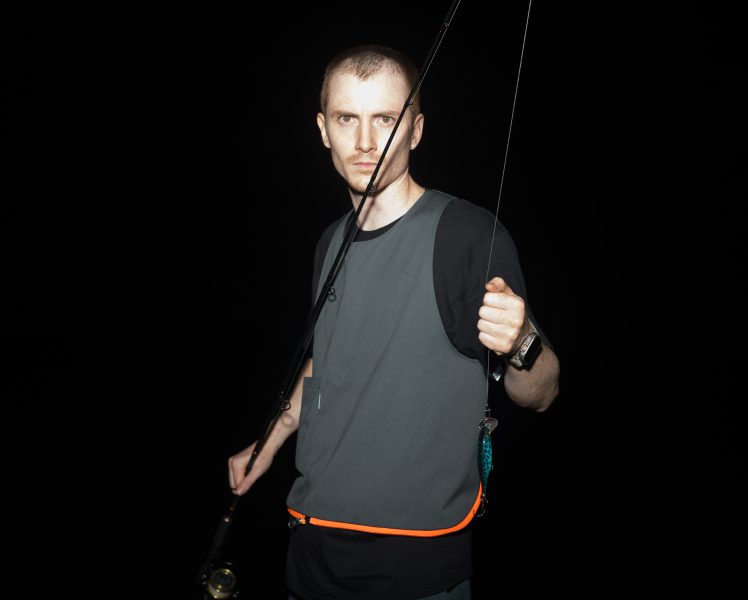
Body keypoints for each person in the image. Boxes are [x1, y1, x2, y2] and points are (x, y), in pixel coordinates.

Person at [228, 45, 560, 599]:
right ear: (322, 129)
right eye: (346, 118)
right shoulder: (329, 242)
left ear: (416, 130)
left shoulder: (467, 236)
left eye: (385, 118)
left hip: (413, 568)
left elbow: (543, 394)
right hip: (308, 552)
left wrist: (521, 342)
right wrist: (268, 442)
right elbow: (327, 362)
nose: (365, 141)